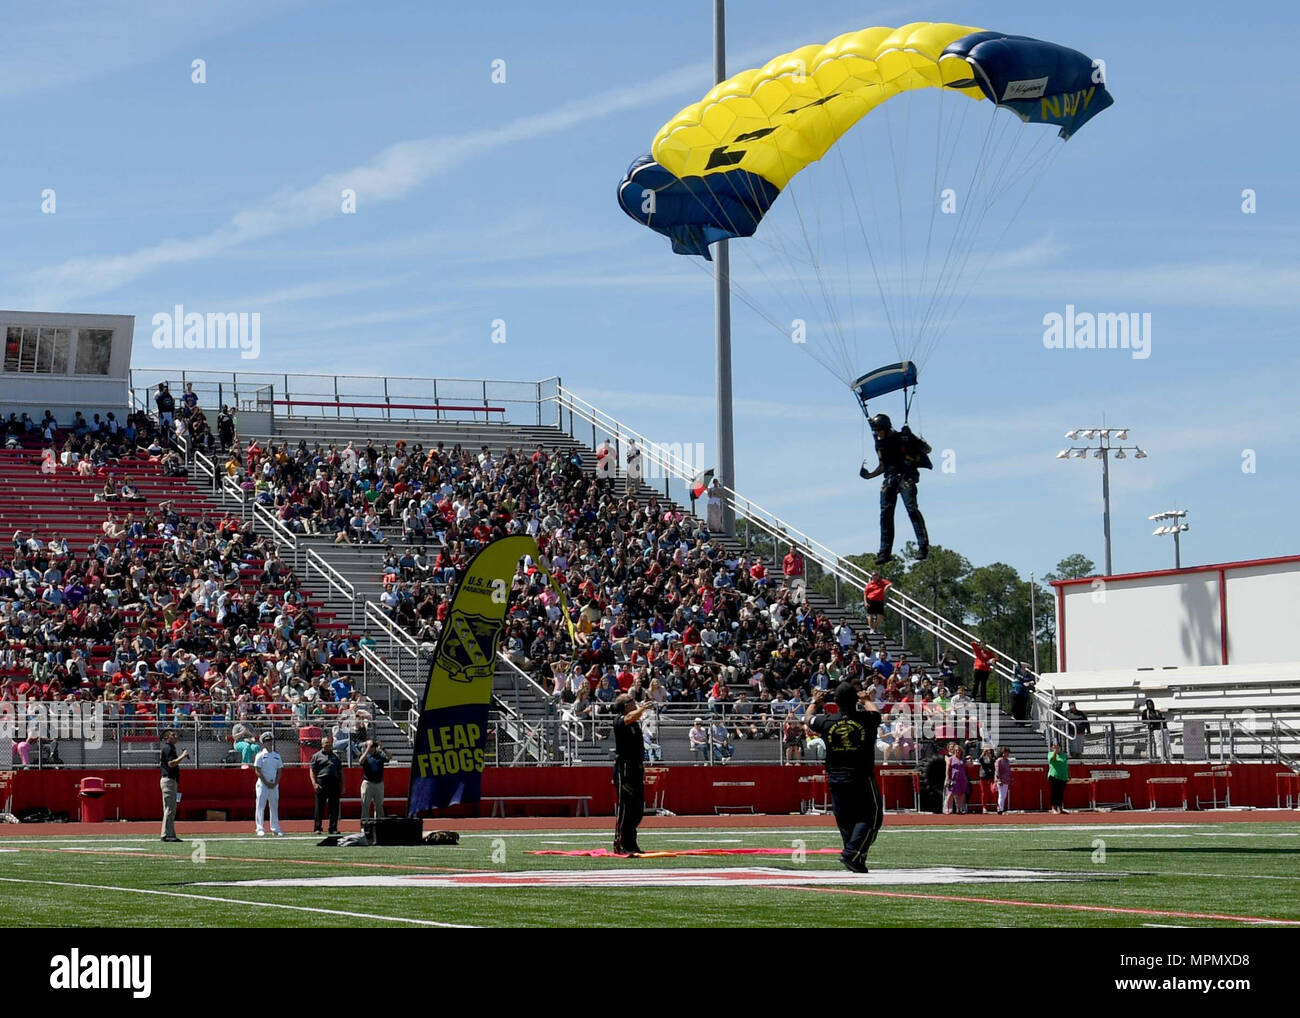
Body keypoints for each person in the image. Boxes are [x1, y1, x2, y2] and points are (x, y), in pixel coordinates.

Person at [804, 682, 883, 873]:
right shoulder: (867, 718)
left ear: (836, 702)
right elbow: (876, 713)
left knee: (846, 821)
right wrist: (866, 700)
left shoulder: (827, 721)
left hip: (836, 778)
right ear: (855, 700)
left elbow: (808, 719)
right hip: (861, 776)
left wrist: (816, 701)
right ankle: (852, 853)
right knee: (871, 817)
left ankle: (856, 858)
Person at [859, 414, 930, 564]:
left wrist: (912, 437)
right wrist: (869, 475)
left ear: (885, 428)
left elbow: (927, 449)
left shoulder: (903, 437)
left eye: (878, 430)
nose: (877, 434)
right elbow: (883, 465)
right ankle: (885, 552)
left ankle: (923, 546)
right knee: (885, 514)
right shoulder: (880, 444)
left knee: (911, 509)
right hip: (890, 478)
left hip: (905, 476)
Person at [612, 694, 655, 855]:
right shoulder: (619, 720)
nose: (635, 703)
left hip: (636, 769)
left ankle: (631, 843)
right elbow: (628, 718)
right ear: (625, 705)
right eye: (631, 701)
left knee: (637, 809)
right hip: (624, 769)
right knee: (625, 807)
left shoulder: (634, 723)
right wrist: (643, 708)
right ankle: (620, 843)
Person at [309, 733, 343, 834]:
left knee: (334, 806)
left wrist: (343, 785)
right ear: (322, 744)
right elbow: (312, 770)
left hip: (334, 783)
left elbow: (340, 771)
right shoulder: (316, 756)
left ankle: (333, 828)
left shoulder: (336, 757)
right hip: (321, 782)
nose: (328, 745)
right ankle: (318, 828)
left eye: (329, 743)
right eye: (326, 743)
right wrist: (314, 783)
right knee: (319, 806)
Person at [159, 729, 188, 842]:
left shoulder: (170, 749)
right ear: (167, 738)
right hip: (169, 781)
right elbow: (171, 764)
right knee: (169, 809)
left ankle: (170, 834)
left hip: (171, 781)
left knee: (171, 808)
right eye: (173, 735)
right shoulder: (168, 749)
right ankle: (166, 834)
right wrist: (183, 756)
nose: (176, 736)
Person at [253, 732, 284, 837]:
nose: (269, 743)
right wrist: (266, 782)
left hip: (274, 784)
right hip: (262, 784)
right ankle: (260, 828)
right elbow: (257, 770)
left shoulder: (277, 756)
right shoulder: (260, 755)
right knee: (260, 806)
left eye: (270, 741)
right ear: (263, 743)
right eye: (266, 741)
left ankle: (275, 828)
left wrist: (275, 782)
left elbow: (279, 770)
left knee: (274, 806)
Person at [359, 738, 390, 820]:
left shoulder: (380, 755)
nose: (372, 748)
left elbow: (389, 757)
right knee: (365, 805)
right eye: (370, 747)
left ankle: (379, 825)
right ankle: (365, 825)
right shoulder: (365, 756)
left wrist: (382, 748)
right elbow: (360, 761)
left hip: (379, 784)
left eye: (373, 746)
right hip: (367, 783)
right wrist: (367, 748)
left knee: (379, 806)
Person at [1047, 740, 1069, 814]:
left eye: (1057, 746)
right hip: (1054, 776)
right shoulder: (1050, 754)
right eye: (1054, 746)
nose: (1056, 747)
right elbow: (1053, 760)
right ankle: (1053, 808)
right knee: (1054, 792)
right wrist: (1055, 752)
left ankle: (1060, 808)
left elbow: (1066, 766)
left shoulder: (1063, 755)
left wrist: (1068, 775)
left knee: (1060, 793)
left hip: (1063, 776)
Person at [994, 746, 1012, 814]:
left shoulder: (1007, 761)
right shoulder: (999, 760)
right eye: (1006, 752)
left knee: (1004, 795)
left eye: (1008, 752)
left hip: (1006, 780)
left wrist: (1011, 778)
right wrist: (999, 779)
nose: (1007, 754)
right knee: (1001, 794)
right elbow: (997, 770)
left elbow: (1009, 770)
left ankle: (1001, 808)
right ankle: (1000, 809)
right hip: (1001, 780)